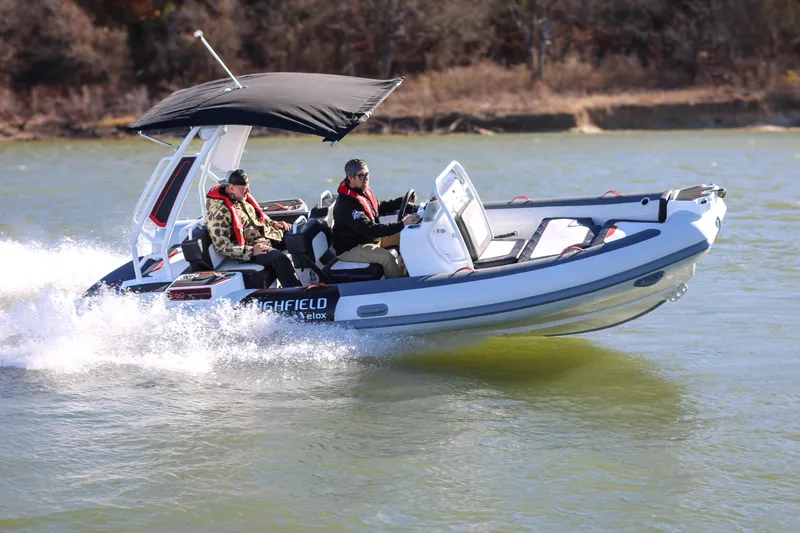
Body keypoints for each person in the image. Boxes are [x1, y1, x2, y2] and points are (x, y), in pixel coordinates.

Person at [205, 169, 302, 288]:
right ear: (231, 188)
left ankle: (317, 276)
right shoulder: (219, 212)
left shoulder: (241, 197)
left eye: (248, 188)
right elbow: (222, 246)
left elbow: (258, 216)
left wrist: (273, 223)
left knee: (300, 235)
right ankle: (294, 293)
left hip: (265, 236)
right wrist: (251, 251)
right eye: (244, 189)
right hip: (249, 249)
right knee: (280, 259)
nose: (248, 192)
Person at [332, 159, 420, 278]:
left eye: (367, 174)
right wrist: (401, 224)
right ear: (351, 178)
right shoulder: (347, 205)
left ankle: (413, 271)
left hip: (368, 239)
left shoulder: (362, 190)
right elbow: (369, 229)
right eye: (361, 175)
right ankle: (399, 286)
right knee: (387, 258)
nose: (366, 178)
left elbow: (378, 207)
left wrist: (402, 201)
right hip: (351, 247)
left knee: (407, 235)